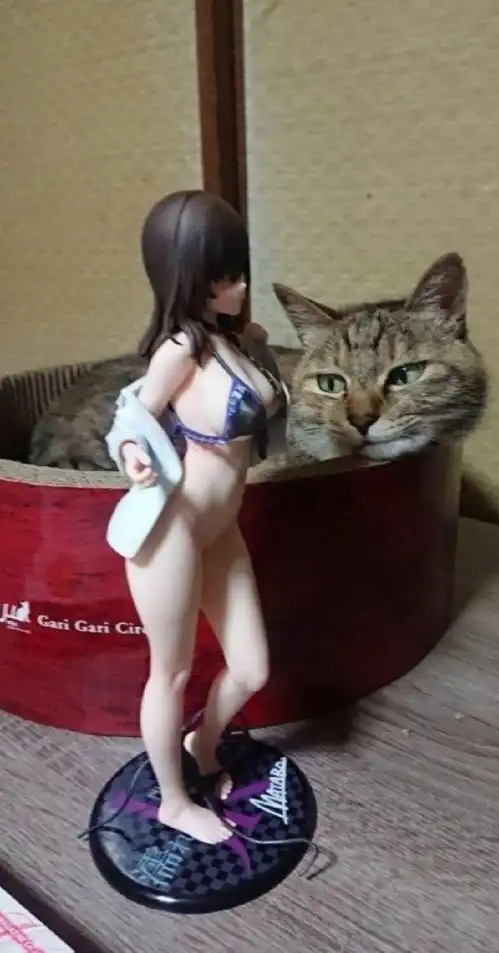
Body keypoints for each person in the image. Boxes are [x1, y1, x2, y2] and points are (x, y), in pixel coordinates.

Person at [105, 189, 288, 845]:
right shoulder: (181, 349)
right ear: (187, 277)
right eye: (222, 276)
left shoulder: (238, 340)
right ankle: (174, 802)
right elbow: (131, 415)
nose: (240, 286)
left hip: (220, 526)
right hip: (172, 530)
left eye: (239, 270)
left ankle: (203, 742)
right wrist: (133, 453)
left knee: (252, 669)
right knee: (172, 672)